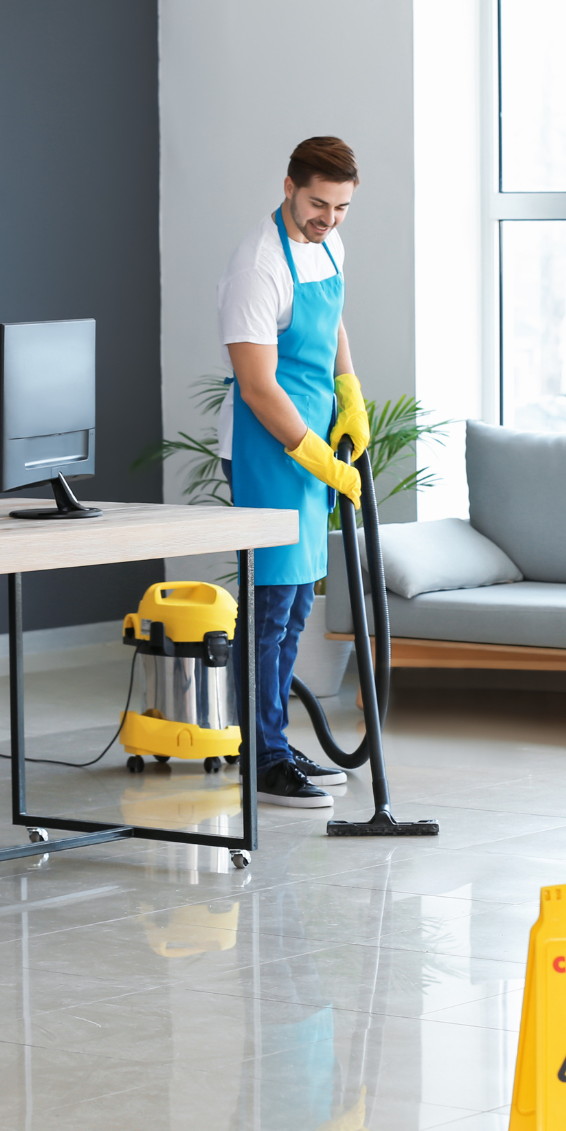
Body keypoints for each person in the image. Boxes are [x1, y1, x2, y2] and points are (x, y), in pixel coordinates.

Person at [217, 137, 369, 808]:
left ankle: (275, 740)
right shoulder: (257, 265)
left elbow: (332, 320)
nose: (328, 219)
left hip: (312, 438)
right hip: (267, 446)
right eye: (317, 204)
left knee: (299, 603)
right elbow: (255, 386)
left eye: (340, 207)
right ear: (288, 186)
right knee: (272, 607)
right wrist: (313, 457)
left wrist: (351, 391)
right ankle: (261, 756)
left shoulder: (327, 242)